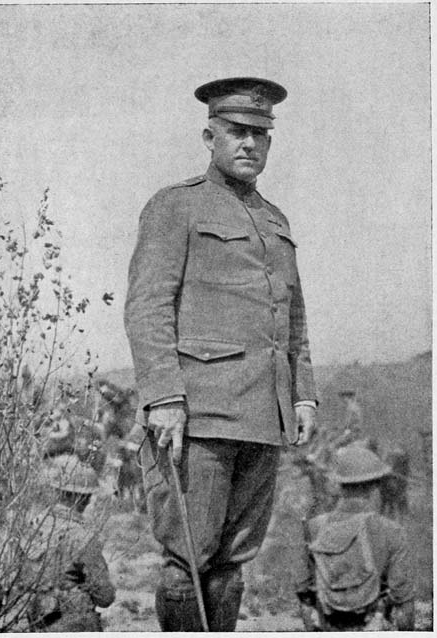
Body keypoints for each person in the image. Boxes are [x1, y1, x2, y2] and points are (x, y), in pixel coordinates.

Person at [124, 76, 318, 631]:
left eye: (261, 134)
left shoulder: (275, 220)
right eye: (236, 131)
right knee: (189, 559)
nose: (250, 143)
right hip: (198, 416)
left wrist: (303, 396)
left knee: (232, 565)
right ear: (210, 137)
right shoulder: (176, 206)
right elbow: (148, 306)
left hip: (263, 418)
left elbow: (293, 317)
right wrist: (164, 396)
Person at [295, 446, 415, 631]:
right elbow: (403, 606)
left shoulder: (314, 527)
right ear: (374, 485)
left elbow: (305, 598)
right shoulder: (391, 531)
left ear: (339, 484)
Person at [20, 454, 116, 631]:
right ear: (84, 498)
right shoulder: (82, 536)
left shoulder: (34, 524)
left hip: (36, 619)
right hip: (73, 623)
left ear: (57, 491)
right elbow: (105, 597)